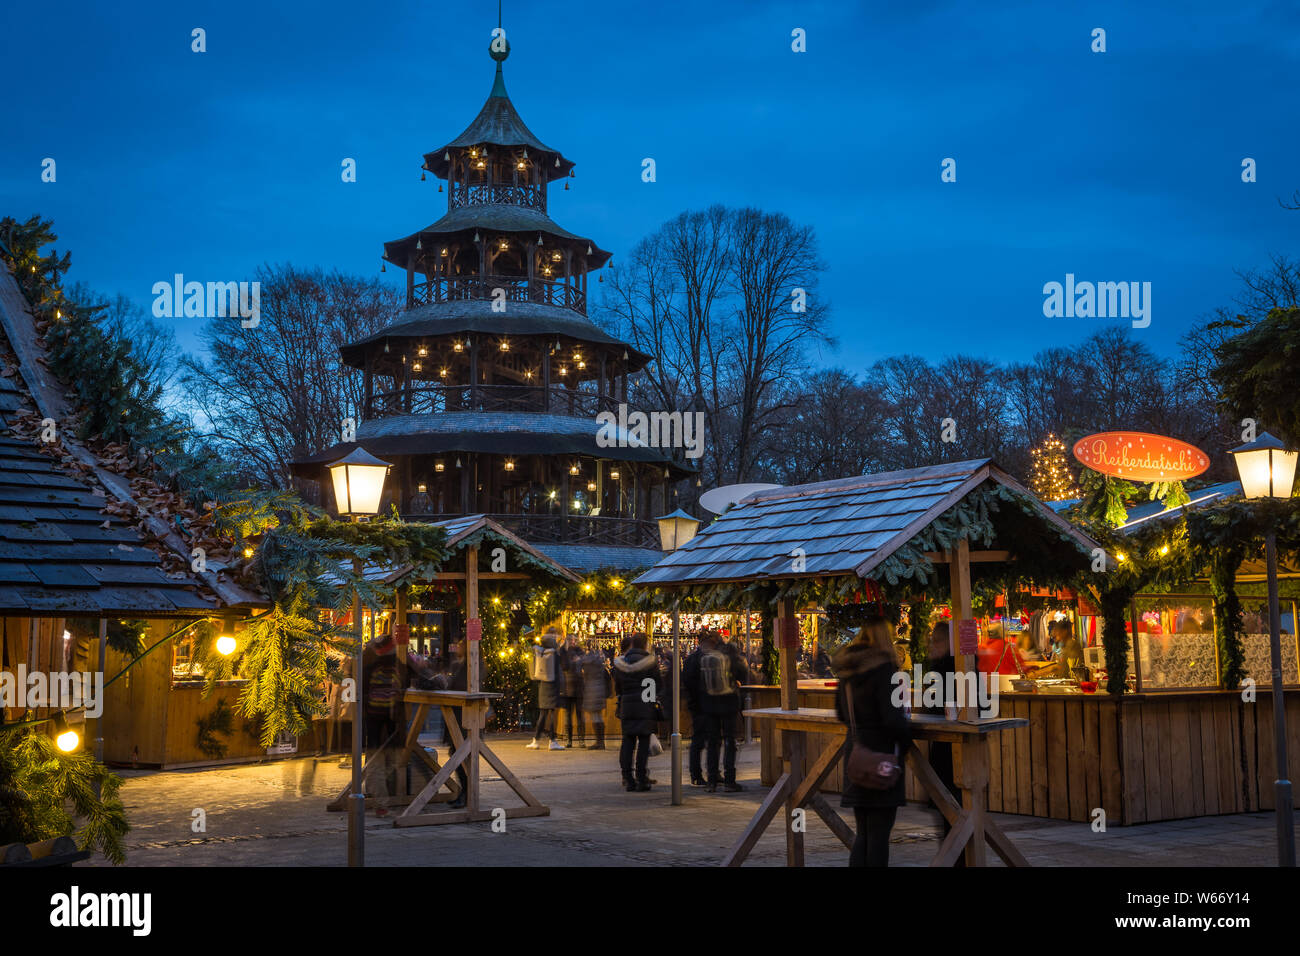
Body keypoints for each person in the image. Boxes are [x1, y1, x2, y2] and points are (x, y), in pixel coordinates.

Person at [833, 617, 912, 867]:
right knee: (879, 835)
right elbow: (892, 719)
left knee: (864, 833)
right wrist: (906, 740)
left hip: (856, 754)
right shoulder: (884, 668)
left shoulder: (848, 669)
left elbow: (841, 713)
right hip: (882, 757)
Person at [920, 620, 963, 866]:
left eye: (935, 641)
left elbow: (935, 707)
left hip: (950, 752)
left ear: (948, 643)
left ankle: (954, 860)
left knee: (951, 812)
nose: (930, 646)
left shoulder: (944, 671)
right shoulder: (959, 667)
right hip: (953, 751)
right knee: (953, 813)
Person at [697, 631, 749, 792]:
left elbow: (700, 680)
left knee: (712, 742)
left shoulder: (706, 655)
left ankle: (712, 781)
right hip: (729, 702)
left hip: (710, 704)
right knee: (729, 740)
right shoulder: (731, 652)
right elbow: (743, 672)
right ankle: (729, 781)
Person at [361, 631, 405, 811]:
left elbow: (362, 690)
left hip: (373, 718)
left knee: (374, 759)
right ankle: (381, 797)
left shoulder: (369, 665)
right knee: (392, 760)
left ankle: (379, 798)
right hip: (391, 720)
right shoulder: (398, 665)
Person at [612, 633, 663, 791]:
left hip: (627, 706)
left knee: (627, 742)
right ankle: (641, 778)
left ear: (632, 644)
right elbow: (656, 684)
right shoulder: (650, 662)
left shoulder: (620, 663)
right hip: (645, 704)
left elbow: (618, 688)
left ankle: (628, 778)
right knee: (643, 742)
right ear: (645, 645)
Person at [442, 640, 469, 808]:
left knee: (461, 755)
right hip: (457, 717)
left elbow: (459, 685)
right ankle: (463, 792)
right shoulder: (459, 664)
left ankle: (466, 794)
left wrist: (447, 683)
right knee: (456, 753)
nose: (457, 646)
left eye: (460, 644)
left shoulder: (470, 665)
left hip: (464, 719)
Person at [527, 630, 565, 750]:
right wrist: (562, 687)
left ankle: (536, 740)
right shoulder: (555, 655)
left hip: (543, 686)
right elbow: (559, 672)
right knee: (552, 714)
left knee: (542, 714)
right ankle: (552, 741)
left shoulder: (539, 653)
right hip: (553, 686)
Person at [682, 631, 709, 786]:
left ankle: (700, 774)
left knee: (705, 740)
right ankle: (697, 774)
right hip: (701, 704)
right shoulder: (698, 659)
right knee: (700, 740)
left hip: (697, 704)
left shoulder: (692, 659)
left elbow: (686, 681)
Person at [579, 641, 612, 750]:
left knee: (595, 716)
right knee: (598, 716)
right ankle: (600, 741)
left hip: (592, 690)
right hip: (600, 689)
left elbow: (584, 673)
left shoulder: (588, 661)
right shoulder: (599, 661)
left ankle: (599, 742)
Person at [558, 634, 585, 748]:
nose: (573, 642)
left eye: (574, 640)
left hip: (578, 688)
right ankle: (569, 740)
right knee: (568, 716)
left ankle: (581, 740)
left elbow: (585, 663)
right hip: (568, 688)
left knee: (579, 715)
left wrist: (579, 659)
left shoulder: (580, 652)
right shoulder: (564, 652)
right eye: (570, 640)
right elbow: (564, 666)